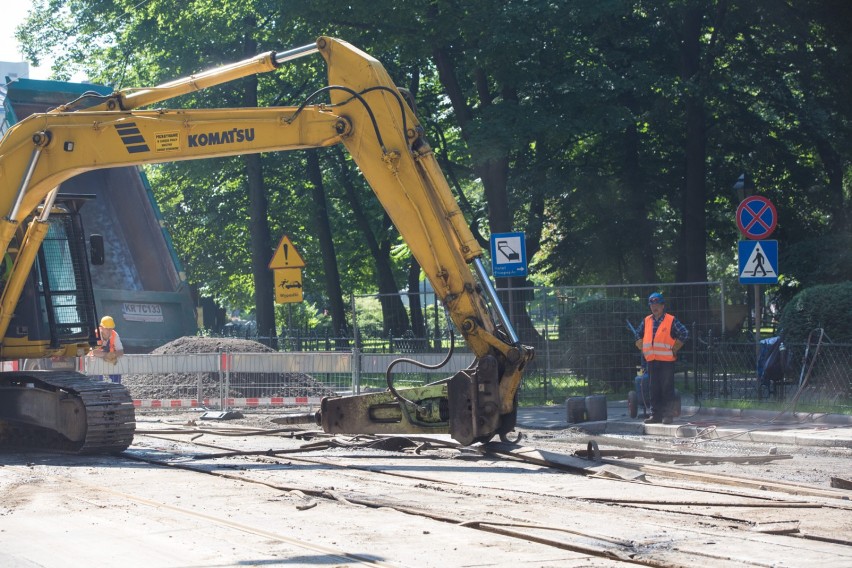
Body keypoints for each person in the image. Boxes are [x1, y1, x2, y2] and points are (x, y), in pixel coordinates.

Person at [634, 293, 688, 425]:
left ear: (663, 306)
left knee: (666, 389)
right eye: (652, 305)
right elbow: (637, 334)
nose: (654, 307)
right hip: (651, 360)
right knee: (654, 389)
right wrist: (640, 344)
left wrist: (675, 348)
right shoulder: (647, 321)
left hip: (666, 361)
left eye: (657, 305)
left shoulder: (671, 320)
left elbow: (684, 333)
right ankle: (656, 415)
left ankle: (667, 415)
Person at [89, 315, 124, 382]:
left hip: (109, 360)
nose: (109, 330)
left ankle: (115, 389)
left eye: (111, 328)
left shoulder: (114, 335)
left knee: (116, 372)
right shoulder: (94, 334)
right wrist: (106, 355)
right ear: (101, 328)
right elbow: (94, 351)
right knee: (96, 381)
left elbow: (121, 351)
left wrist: (113, 355)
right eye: (107, 328)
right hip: (94, 362)